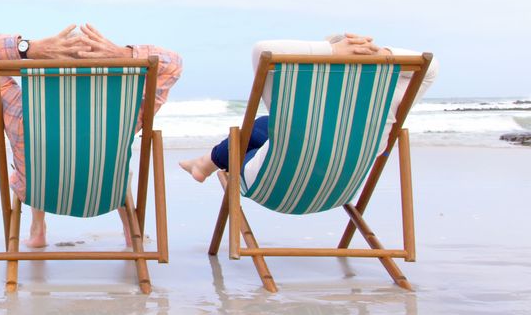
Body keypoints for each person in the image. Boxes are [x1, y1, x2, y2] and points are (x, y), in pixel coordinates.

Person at [0, 24, 183, 248]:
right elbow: (173, 64)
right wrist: (122, 54)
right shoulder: (127, 111)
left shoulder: (18, 109)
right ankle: (132, 233)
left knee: (38, 154)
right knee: (115, 164)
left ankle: (37, 231)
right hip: (106, 192)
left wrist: (28, 49)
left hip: (38, 191)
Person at [178, 33, 438, 185]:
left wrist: (334, 50)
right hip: (342, 187)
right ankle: (204, 164)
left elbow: (264, 50)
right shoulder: (385, 106)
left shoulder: (303, 106)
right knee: (265, 125)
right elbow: (431, 64)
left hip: (276, 182)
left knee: (259, 128)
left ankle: (206, 163)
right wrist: (379, 52)